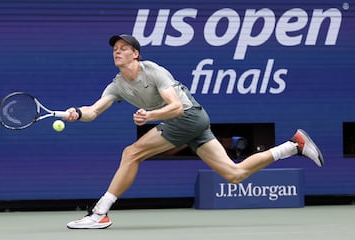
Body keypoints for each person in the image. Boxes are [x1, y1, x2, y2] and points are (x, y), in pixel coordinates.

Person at [65, 34, 324, 229]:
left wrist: (150, 116)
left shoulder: (154, 71)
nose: (117, 52)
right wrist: (77, 112)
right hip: (193, 122)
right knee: (234, 174)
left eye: (123, 49)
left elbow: (176, 107)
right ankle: (293, 145)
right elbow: (95, 110)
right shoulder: (118, 85)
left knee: (131, 153)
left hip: (188, 116)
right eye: (115, 50)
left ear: (136, 54)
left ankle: (100, 213)